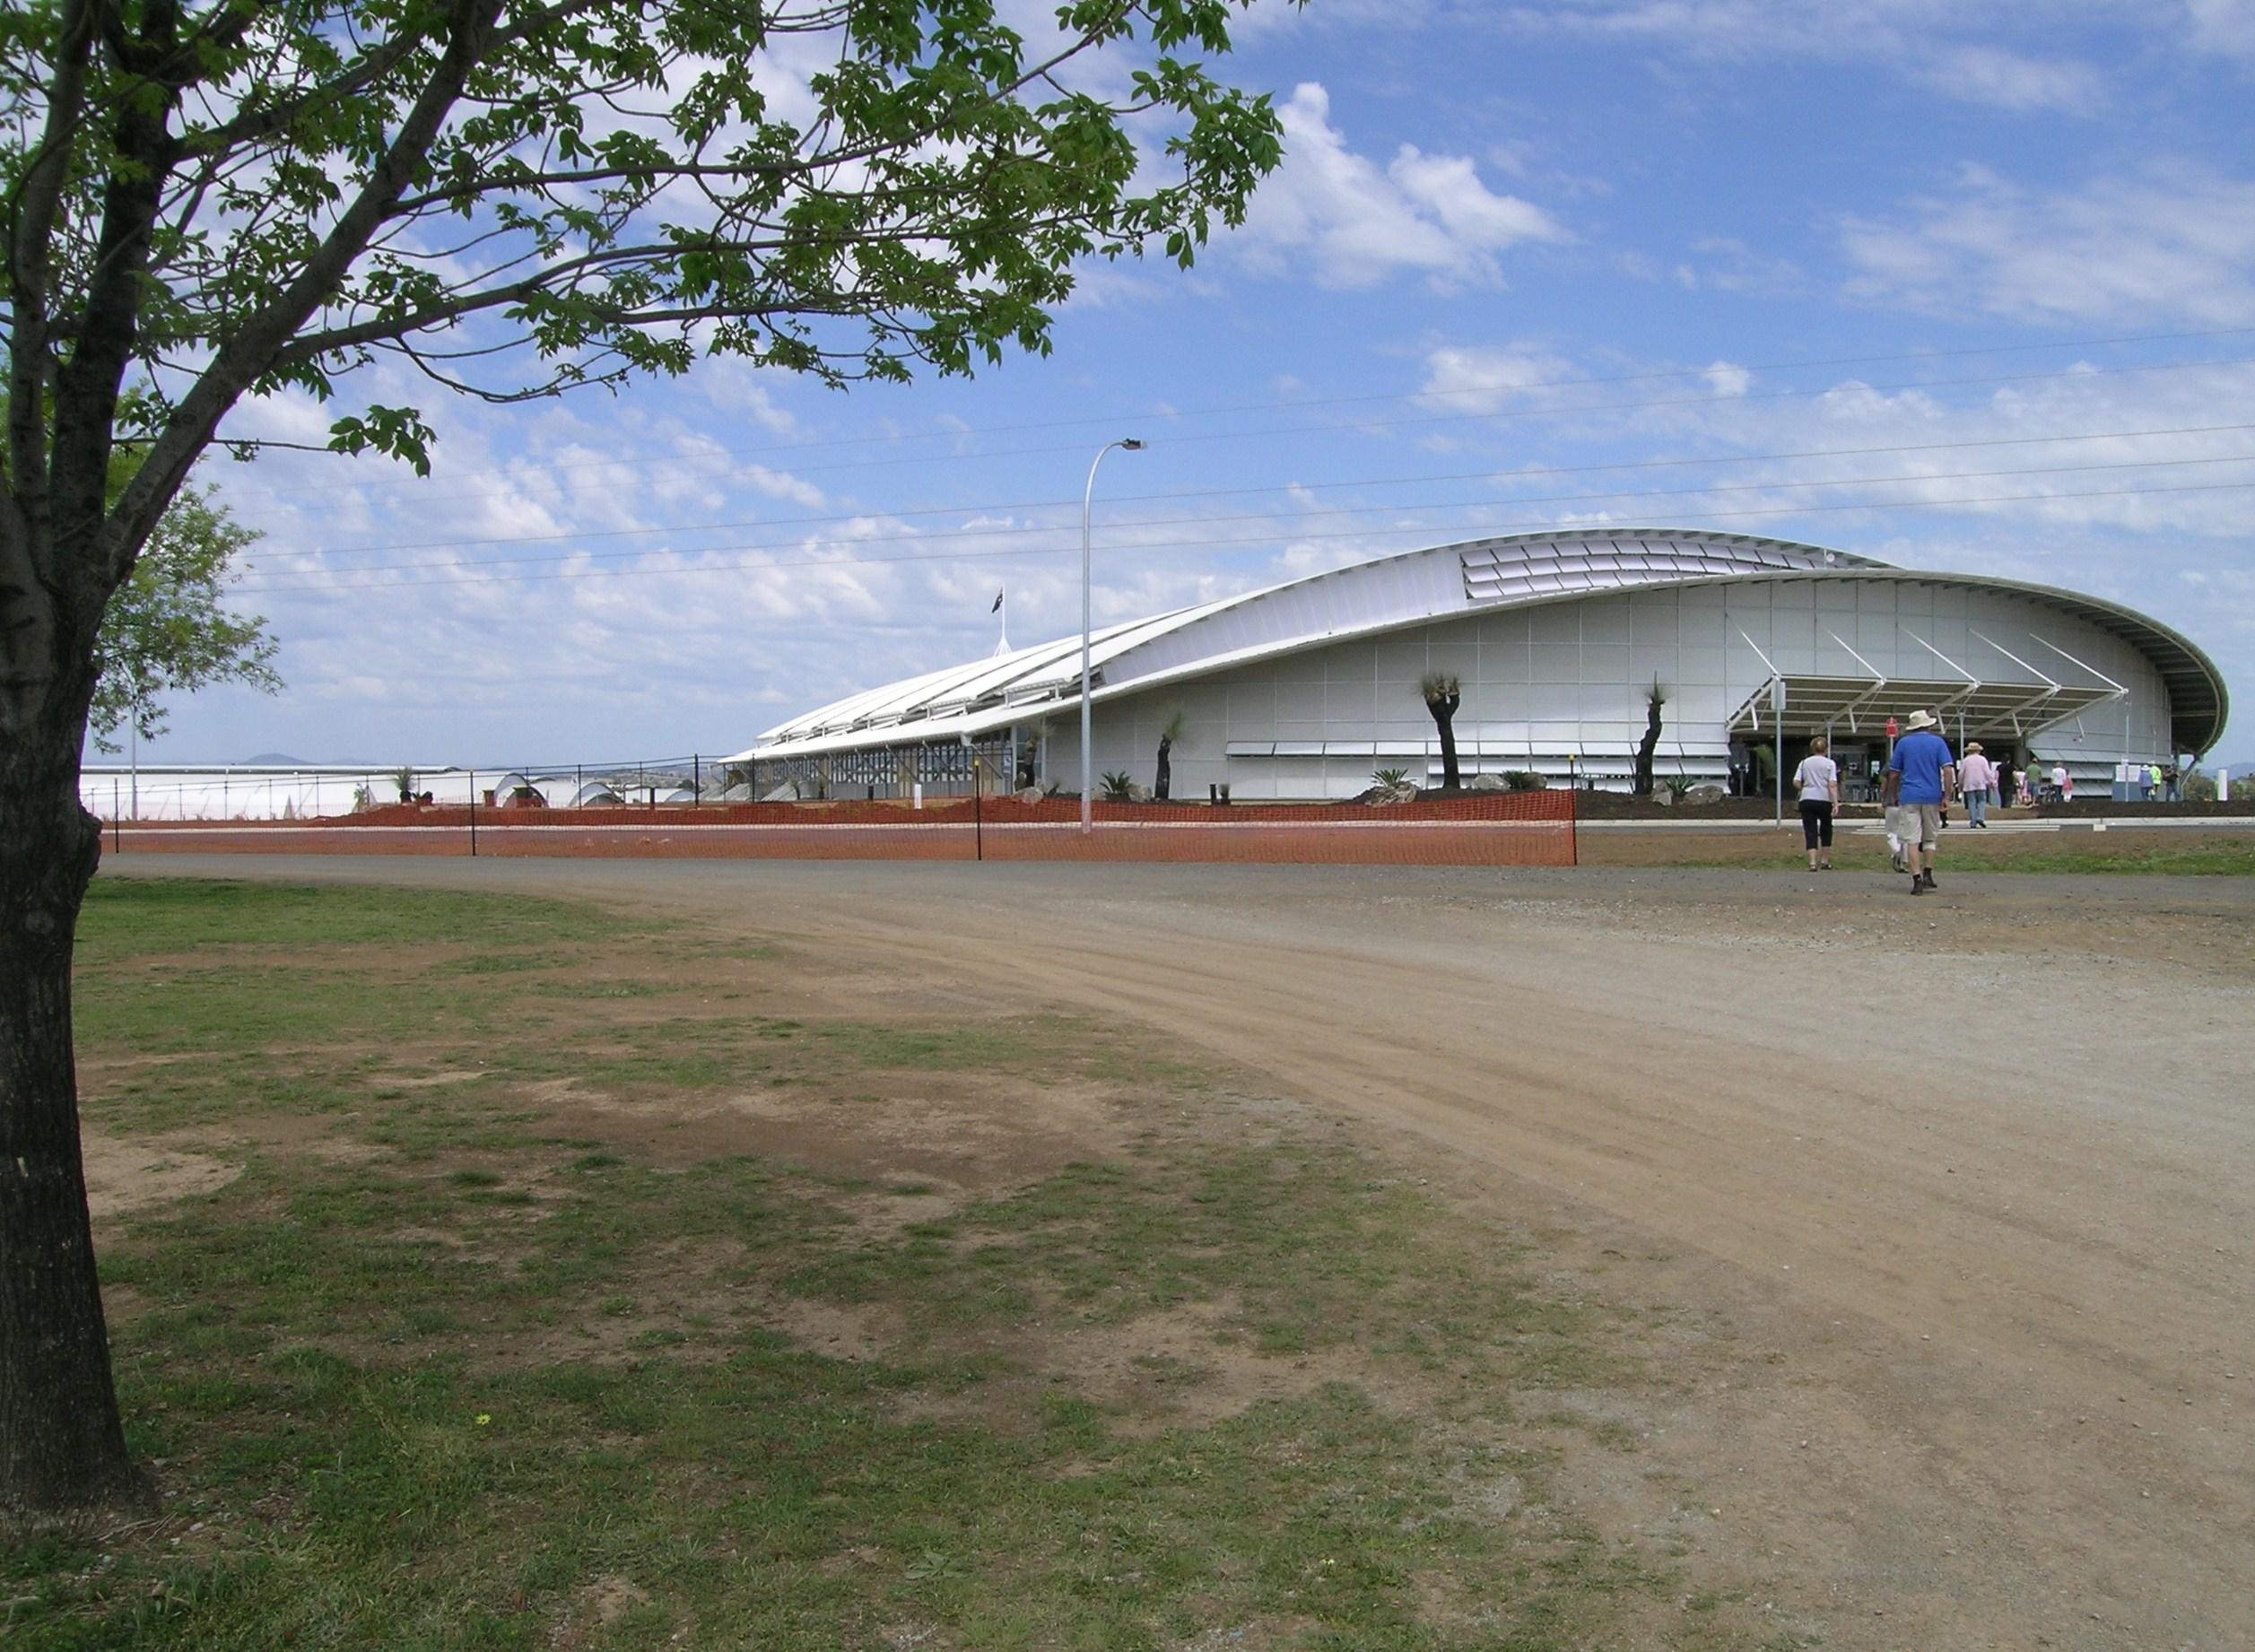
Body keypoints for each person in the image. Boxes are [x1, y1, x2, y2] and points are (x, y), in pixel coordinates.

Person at [1883, 709, 1956, 895]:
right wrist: (1947, 796)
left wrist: (1893, 794)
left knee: (1912, 839)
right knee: (1930, 838)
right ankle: (1928, 872)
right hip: (1932, 795)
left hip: (1909, 795)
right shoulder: (1938, 742)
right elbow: (1948, 770)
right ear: (1928, 725)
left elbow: (1894, 774)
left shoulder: (1903, 743)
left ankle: (1916, 879)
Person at [1793, 735, 1841, 871]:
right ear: (1826, 749)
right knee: (1826, 829)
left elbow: (1796, 782)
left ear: (1812, 748)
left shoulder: (1804, 763)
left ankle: (1812, 862)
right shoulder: (1830, 764)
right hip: (1824, 799)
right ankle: (1824, 860)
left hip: (1807, 798)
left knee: (1810, 830)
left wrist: (1804, 787)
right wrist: (1835, 803)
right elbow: (1832, 784)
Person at [1958, 742, 1994, 828]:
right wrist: (1992, 781)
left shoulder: (1966, 760)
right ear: (1978, 751)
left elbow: (1961, 773)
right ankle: (1980, 817)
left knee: (1971, 802)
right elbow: (1987, 772)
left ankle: (1973, 821)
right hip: (1981, 783)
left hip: (1969, 784)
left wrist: (1960, 784)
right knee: (1982, 801)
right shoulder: (1982, 759)